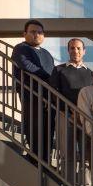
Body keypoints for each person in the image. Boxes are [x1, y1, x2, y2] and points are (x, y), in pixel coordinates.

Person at [49, 39, 93, 184]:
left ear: (84, 51)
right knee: (67, 151)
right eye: (72, 48)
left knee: (86, 152)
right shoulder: (59, 70)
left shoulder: (91, 74)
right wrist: (68, 111)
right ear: (68, 51)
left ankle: (85, 184)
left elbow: (92, 97)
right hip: (65, 115)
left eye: (79, 48)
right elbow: (53, 93)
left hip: (85, 118)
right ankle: (68, 183)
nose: (76, 51)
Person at [11, 19, 55, 160]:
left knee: (48, 127)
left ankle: (45, 159)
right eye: (33, 32)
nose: (36, 35)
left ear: (44, 36)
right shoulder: (21, 48)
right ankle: (35, 157)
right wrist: (47, 77)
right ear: (25, 34)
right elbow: (26, 65)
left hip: (47, 96)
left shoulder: (47, 54)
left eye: (40, 32)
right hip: (30, 93)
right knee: (34, 125)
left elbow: (52, 72)